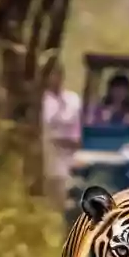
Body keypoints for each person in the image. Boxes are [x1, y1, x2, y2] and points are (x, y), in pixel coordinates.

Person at [41, 61, 81, 198]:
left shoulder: (73, 99)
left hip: (71, 154)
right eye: (51, 75)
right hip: (49, 153)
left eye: (57, 74)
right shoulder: (42, 101)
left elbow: (78, 126)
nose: (55, 78)